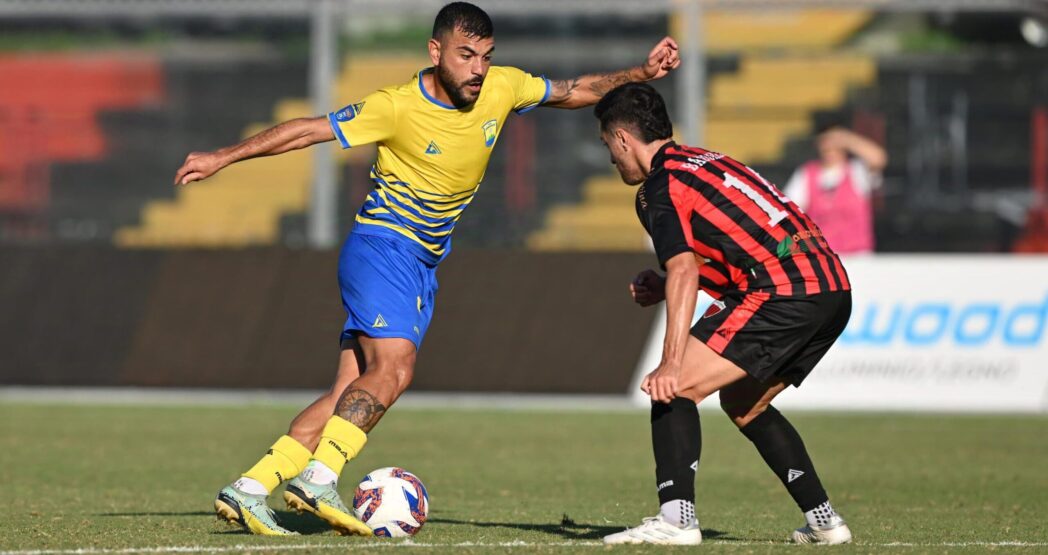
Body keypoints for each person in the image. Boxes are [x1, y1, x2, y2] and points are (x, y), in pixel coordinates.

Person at [173, 2, 681, 537]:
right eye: (466, 56)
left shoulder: (502, 88)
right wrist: (223, 157)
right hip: (384, 245)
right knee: (395, 369)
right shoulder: (396, 106)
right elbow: (307, 131)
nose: (478, 69)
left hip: (420, 263)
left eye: (486, 56)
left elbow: (573, 91)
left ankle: (251, 488)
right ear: (435, 51)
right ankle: (318, 479)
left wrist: (640, 74)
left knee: (352, 387)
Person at [594, 83, 853, 546]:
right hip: (831, 285)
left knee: (676, 387)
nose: (612, 161)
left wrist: (672, 361)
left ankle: (676, 519)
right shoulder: (709, 161)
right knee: (745, 403)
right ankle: (824, 520)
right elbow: (735, 249)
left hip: (785, 290)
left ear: (621, 139)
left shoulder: (659, 187)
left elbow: (683, 269)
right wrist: (667, 283)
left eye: (608, 147)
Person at [782, 125, 887, 254]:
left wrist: (847, 139)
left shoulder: (856, 171)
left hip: (857, 254)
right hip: (821, 254)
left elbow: (878, 158)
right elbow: (791, 211)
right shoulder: (806, 173)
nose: (830, 149)